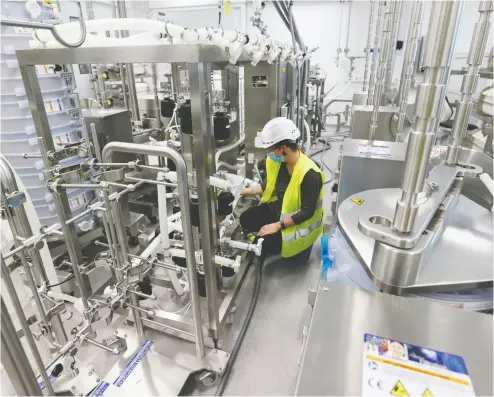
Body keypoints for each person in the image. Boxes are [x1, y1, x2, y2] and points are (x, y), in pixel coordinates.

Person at [239, 117, 324, 264]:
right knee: (245, 218)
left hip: (297, 227)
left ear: (283, 148)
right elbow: (265, 187)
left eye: (272, 149)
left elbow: (307, 212)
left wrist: (277, 226)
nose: (270, 154)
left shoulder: (310, 174)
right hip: (277, 211)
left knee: (264, 243)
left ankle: (280, 245)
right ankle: (267, 239)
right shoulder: (277, 163)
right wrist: (240, 191)